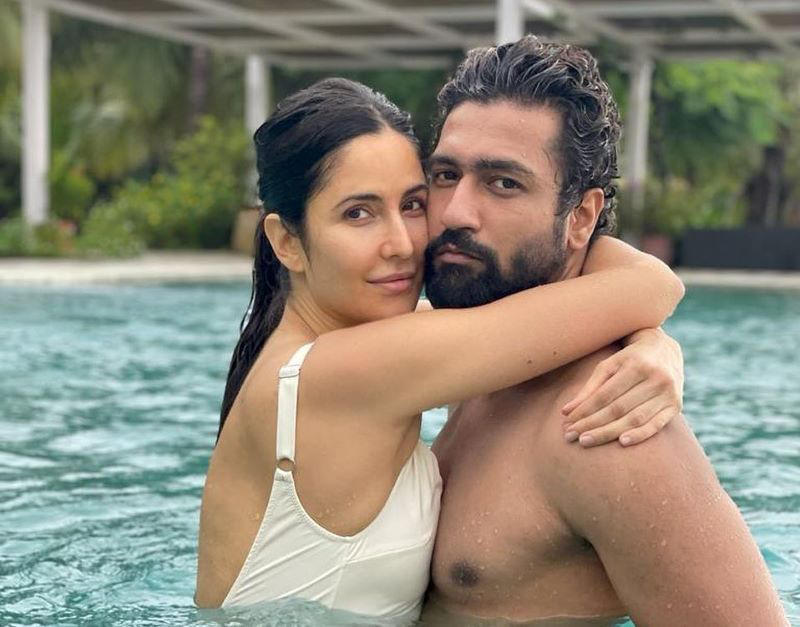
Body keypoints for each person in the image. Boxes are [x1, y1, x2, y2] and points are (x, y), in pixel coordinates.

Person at [194, 77, 685, 623]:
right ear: (287, 241)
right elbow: (651, 286)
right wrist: (654, 339)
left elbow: (585, 310)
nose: (403, 244)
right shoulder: (341, 374)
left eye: (412, 204)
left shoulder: (331, 351)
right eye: (358, 213)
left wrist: (650, 341)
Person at [422, 36, 788, 626]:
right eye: (445, 174)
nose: (455, 212)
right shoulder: (470, 366)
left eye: (504, 183)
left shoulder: (609, 425)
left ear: (581, 218)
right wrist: (653, 336)